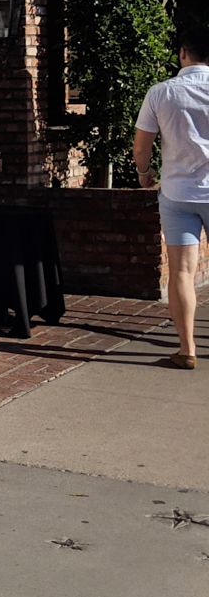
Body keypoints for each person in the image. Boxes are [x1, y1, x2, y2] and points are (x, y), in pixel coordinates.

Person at [133, 24, 209, 370]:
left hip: (177, 192)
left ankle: (187, 349)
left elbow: (141, 145)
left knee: (181, 271)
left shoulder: (161, 93)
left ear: (183, 53)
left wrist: (144, 173)